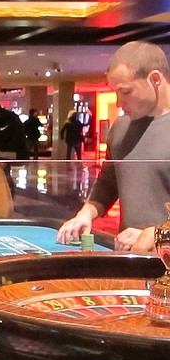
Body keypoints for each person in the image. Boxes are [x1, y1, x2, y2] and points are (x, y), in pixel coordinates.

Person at [57, 41, 170, 251]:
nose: (119, 102)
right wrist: (86, 213)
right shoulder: (120, 127)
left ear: (155, 79)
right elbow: (108, 184)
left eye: (125, 92)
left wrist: (156, 234)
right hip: (129, 258)